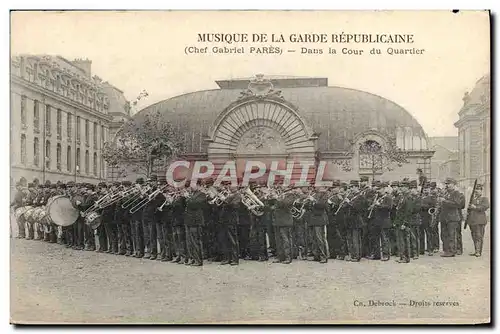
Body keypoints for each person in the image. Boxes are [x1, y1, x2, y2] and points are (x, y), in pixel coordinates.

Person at [438, 178, 465, 257]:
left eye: (448, 184)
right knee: (444, 235)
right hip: (445, 217)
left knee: (451, 235)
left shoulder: (456, 193)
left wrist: (444, 201)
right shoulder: (446, 193)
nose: (446, 185)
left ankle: (451, 251)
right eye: (446, 184)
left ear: (453, 184)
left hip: (452, 218)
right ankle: (446, 250)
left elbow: (457, 204)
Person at [466, 184, 490, 257]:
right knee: (474, 236)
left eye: (478, 189)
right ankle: (476, 250)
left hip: (480, 220)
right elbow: (469, 209)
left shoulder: (484, 199)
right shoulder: (472, 199)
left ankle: (478, 251)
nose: (476, 191)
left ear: (481, 190)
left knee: (479, 236)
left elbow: (485, 207)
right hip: (472, 220)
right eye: (475, 190)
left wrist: (475, 207)